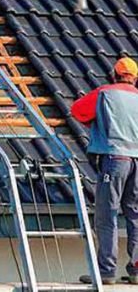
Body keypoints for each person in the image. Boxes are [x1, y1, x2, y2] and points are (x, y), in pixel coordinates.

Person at [71, 57, 138, 285]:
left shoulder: (105, 93)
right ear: (135, 78)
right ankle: (136, 270)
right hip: (137, 160)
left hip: (115, 159)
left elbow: (78, 111)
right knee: (135, 214)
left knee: (107, 213)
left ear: (114, 74)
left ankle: (106, 271)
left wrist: (101, 120)